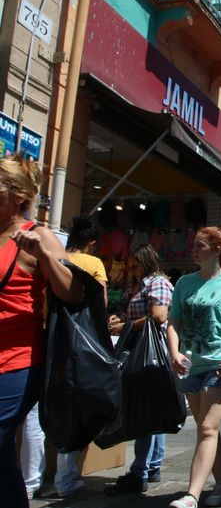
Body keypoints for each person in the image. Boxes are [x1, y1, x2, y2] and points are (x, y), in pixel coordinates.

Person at [0, 155, 82, 508]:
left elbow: (73, 291)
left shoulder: (39, 234)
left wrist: (44, 257)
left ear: (17, 195)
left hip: (18, 362)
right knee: (3, 454)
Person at [166, 227, 221, 508]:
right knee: (209, 430)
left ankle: (192, 494)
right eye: (194, 244)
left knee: (206, 428)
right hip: (191, 366)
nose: (193, 249)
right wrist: (174, 352)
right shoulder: (184, 283)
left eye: (200, 245)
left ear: (217, 250)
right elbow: (173, 321)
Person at [29, 215, 108, 498]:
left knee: (43, 406)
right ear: (92, 243)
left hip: (48, 336)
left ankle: (33, 477)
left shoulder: (54, 256)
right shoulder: (93, 264)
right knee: (78, 406)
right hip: (80, 345)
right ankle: (67, 478)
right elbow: (101, 304)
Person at [105, 244, 174, 495]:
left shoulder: (157, 283)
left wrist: (125, 325)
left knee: (144, 411)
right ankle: (152, 466)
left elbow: (158, 317)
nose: (131, 268)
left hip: (151, 354)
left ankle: (139, 473)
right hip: (141, 352)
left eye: (135, 264)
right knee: (152, 411)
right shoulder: (140, 286)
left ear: (146, 261)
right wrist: (119, 319)